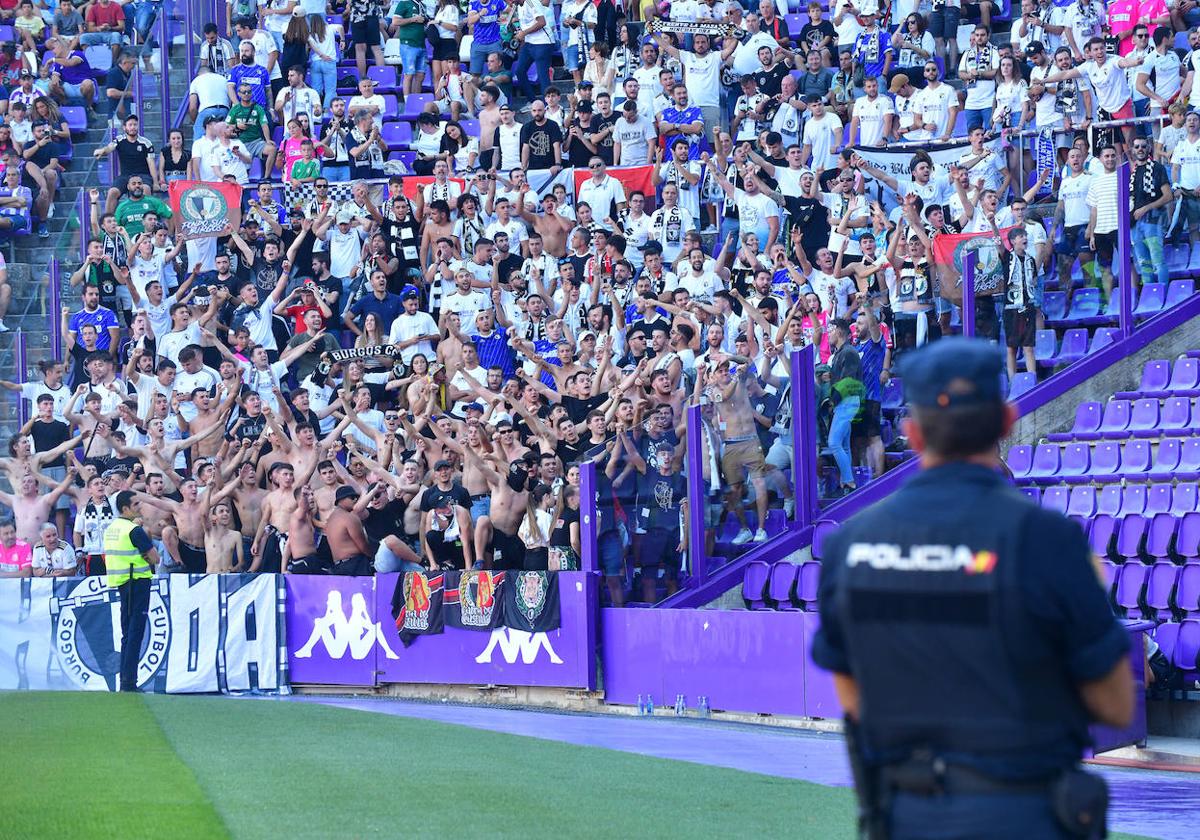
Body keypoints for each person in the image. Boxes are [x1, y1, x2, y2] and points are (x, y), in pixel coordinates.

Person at [812, 338, 1134, 839]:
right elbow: (1115, 704)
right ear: (1005, 422)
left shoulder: (850, 544)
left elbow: (854, 699)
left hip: (910, 814)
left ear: (913, 433)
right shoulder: (1051, 541)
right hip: (1025, 813)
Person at [103, 490, 160, 692]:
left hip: (122, 583)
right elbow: (155, 558)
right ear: (125, 508)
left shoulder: (111, 528)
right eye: (136, 504)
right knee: (135, 633)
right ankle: (129, 683)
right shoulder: (133, 530)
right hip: (137, 582)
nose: (140, 507)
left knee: (127, 633)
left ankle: (125, 681)